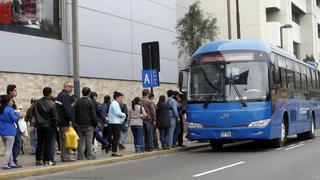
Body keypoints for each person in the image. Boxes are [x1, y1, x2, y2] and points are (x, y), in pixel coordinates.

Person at [34, 87, 59, 166]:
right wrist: (55, 126)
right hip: (49, 126)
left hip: (39, 125)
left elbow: (33, 113)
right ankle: (47, 160)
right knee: (48, 143)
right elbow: (55, 117)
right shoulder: (52, 104)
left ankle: (38, 160)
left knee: (39, 143)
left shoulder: (37, 102)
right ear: (50, 94)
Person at [75, 87, 98, 160]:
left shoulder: (78, 101)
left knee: (80, 141)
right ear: (89, 93)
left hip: (79, 124)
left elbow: (75, 112)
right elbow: (93, 114)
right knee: (89, 140)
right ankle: (90, 155)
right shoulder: (90, 102)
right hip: (89, 124)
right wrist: (95, 123)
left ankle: (80, 155)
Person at [56, 81, 76, 162]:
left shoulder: (60, 95)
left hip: (61, 121)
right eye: (70, 86)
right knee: (66, 139)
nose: (71, 88)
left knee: (63, 139)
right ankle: (66, 157)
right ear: (65, 87)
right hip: (64, 121)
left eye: (72, 87)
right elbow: (67, 109)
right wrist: (70, 120)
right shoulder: (65, 96)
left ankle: (64, 155)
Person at [0, 95, 21, 170]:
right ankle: (5, 164)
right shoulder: (10, 109)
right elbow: (15, 119)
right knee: (8, 149)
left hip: (2, 131)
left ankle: (11, 163)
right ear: (8, 102)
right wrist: (18, 113)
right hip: (10, 131)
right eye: (11, 101)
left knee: (8, 148)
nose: (12, 102)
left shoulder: (1, 109)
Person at [7, 84, 23, 168]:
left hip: (14, 124)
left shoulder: (11, 100)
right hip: (12, 124)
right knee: (18, 142)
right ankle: (13, 160)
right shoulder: (8, 100)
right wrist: (18, 114)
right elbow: (10, 113)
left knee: (16, 143)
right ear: (10, 91)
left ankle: (12, 160)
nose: (16, 92)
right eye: (15, 90)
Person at [107, 91, 126, 157]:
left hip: (114, 122)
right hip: (115, 123)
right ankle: (114, 152)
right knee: (116, 138)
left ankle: (111, 149)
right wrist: (124, 115)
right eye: (121, 98)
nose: (122, 99)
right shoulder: (115, 104)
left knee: (114, 137)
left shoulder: (114, 103)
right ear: (117, 97)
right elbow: (118, 113)